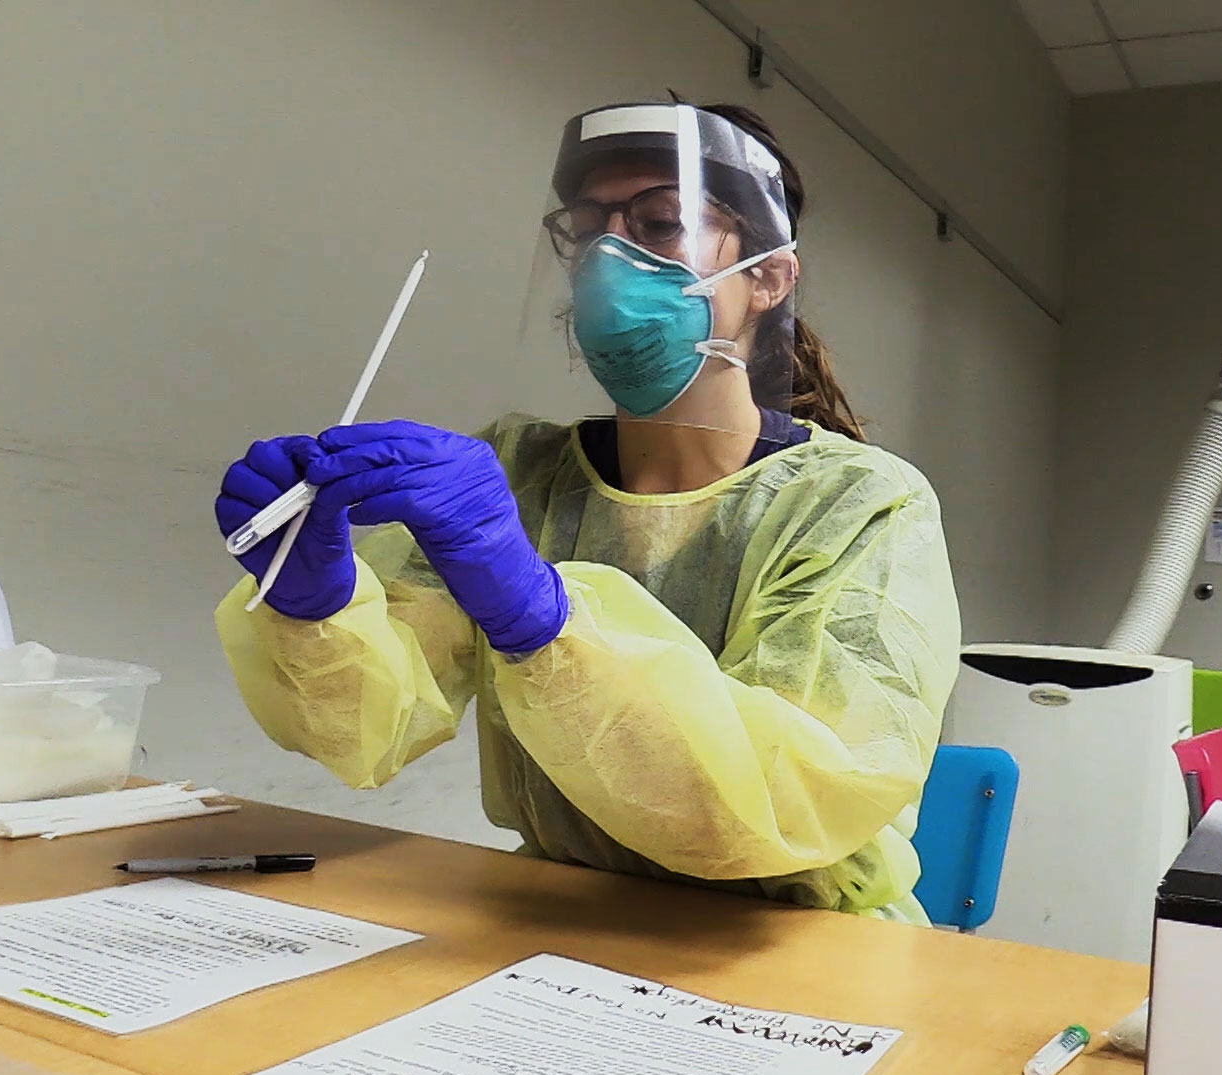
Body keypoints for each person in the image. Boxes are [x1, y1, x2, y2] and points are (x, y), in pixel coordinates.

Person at [213, 102, 960, 922]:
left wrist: (543, 618)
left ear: (768, 279)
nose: (610, 264)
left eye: (660, 224)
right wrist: (312, 601)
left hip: (791, 939)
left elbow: (791, 806)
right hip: (558, 914)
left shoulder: (860, 504)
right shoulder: (519, 474)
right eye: (586, 232)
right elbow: (363, 732)